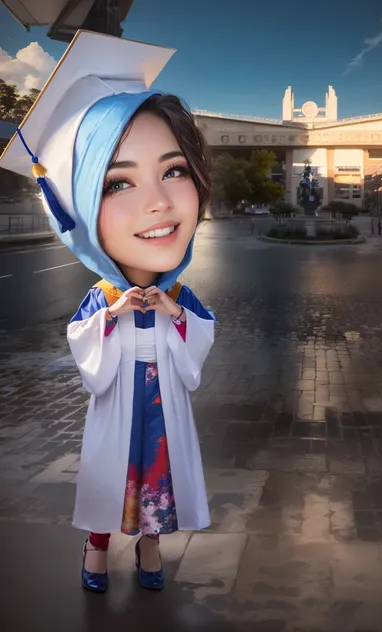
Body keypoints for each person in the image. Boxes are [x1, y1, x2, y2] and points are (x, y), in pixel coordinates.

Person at [0, 31, 215, 593]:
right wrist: (115, 313)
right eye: (117, 181)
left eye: (174, 170)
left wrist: (171, 309)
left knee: (158, 483)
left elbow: (200, 339)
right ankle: (95, 555)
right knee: (110, 479)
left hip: (163, 405)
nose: (160, 204)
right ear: (80, 209)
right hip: (120, 398)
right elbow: (84, 346)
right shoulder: (102, 294)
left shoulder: (181, 292)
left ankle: (150, 554)